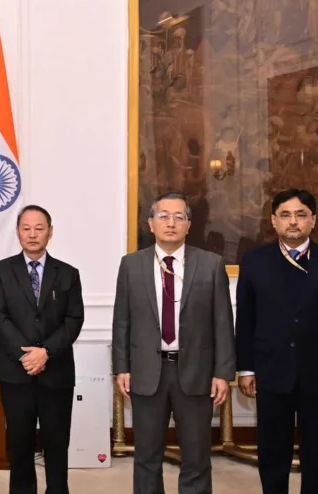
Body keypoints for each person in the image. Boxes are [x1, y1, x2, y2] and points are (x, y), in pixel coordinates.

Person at [235, 188, 318, 494]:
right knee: (272, 453)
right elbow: (246, 320)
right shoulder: (253, 262)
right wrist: (246, 369)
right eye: (286, 215)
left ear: (313, 221)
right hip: (270, 372)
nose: (293, 221)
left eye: (301, 214)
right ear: (273, 221)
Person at [112, 192, 235, 494]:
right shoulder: (132, 265)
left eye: (178, 217)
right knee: (146, 456)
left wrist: (222, 373)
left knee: (196, 456)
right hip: (146, 373)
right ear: (150, 224)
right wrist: (121, 367)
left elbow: (223, 322)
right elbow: (122, 321)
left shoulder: (210, 264)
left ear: (188, 225)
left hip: (196, 373)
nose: (171, 223)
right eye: (163, 216)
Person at [0, 205, 83, 494]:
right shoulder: (0, 271)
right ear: (18, 232)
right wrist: (26, 355)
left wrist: (46, 352)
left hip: (56, 374)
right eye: (26, 228)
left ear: (50, 232)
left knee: (56, 443)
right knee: (19, 443)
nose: (32, 234)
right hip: (15, 373)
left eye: (39, 228)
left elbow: (74, 319)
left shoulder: (68, 273)